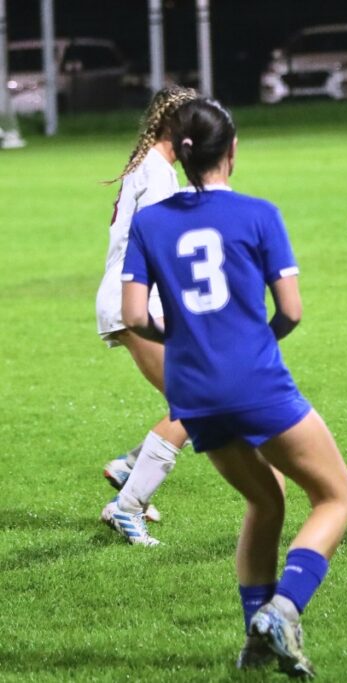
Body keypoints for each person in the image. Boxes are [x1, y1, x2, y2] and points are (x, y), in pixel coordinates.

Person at [121, 97, 347, 676]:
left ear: (180, 153)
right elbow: (292, 310)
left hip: (193, 391)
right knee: (333, 497)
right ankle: (283, 610)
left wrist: (183, 336)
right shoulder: (258, 214)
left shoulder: (150, 222)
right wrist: (258, 342)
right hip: (255, 382)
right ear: (232, 152)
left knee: (263, 499)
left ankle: (255, 639)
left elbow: (133, 315)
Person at [95, 85, 200, 545]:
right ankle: (127, 507)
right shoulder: (158, 174)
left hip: (131, 297)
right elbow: (156, 247)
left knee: (199, 405)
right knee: (196, 404)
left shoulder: (151, 168)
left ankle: (127, 469)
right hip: (135, 300)